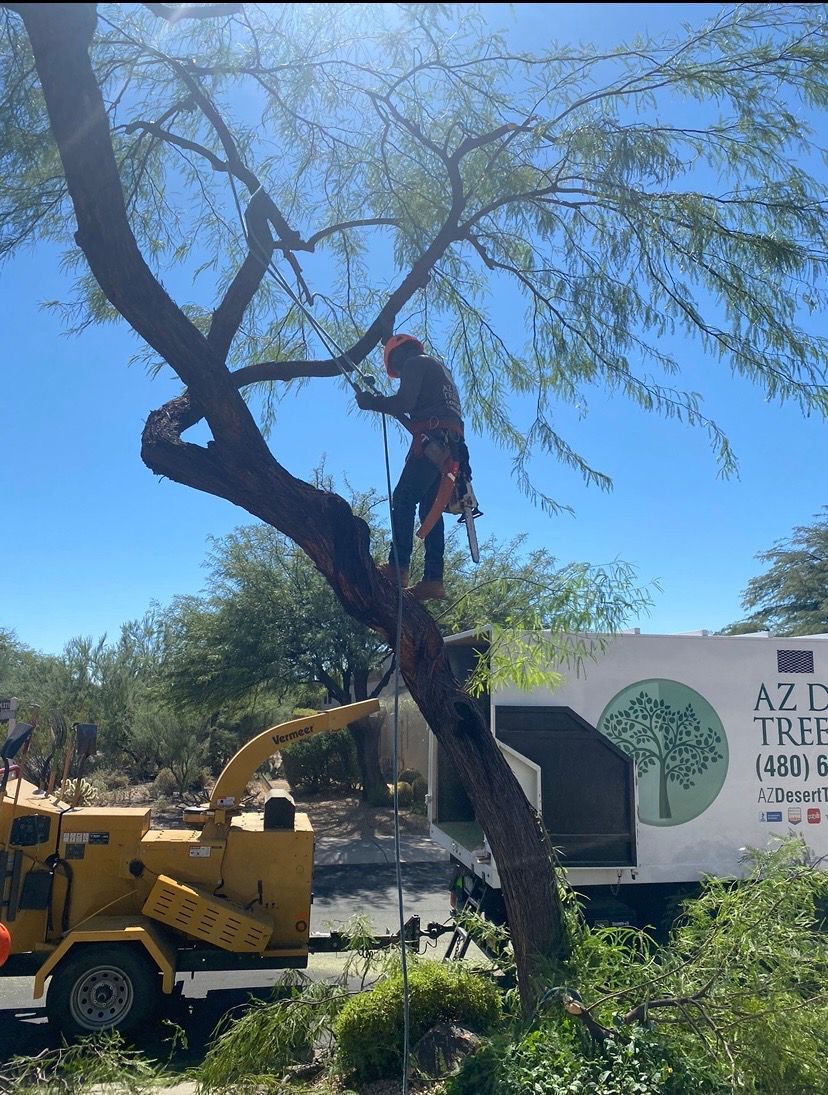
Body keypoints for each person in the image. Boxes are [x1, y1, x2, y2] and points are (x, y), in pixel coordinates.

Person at [355, 334, 465, 601]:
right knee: (430, 509)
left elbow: (403, 403)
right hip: (448, 444)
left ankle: (397, 566)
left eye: (395, 363)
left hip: (435, 440)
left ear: (400, 354)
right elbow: (410, 409)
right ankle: (433, 580)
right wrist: (383, 404)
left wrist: (374, 403)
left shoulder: (416, 363)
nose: (400, 370)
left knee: (404, 498)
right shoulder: (438, 371)